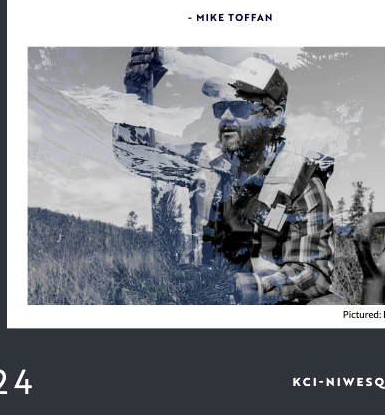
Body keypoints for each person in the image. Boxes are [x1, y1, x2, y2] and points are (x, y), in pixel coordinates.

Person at [114, 49, 345, 304]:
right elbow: (135, 155)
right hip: (204, 302)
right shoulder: (203, 160)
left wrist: (236, 286)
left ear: (274, 115)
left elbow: (313, 273)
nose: (225, 117)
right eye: (221, 106)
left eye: (239, 106)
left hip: (266, 308)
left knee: (328, 307)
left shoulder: (302, 183)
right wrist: (136, 94)